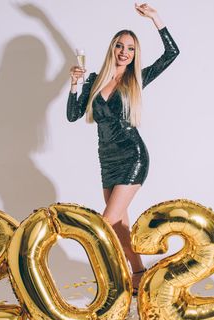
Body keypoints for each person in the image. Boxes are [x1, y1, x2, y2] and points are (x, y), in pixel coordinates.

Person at [66, 3, 179, 295]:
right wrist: (74, 85)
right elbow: (73, 115)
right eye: (120, 46)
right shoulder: (95, 81)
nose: (124, 52)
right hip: (107, 160)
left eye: (130, 48)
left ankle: (111, 283)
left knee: (105, 222)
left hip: (132, 156)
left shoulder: (135, 79)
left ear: (134, 54)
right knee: (119, 228)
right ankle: (139, 276)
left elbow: (172, 54)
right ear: (112, 49)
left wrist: (156, 19)